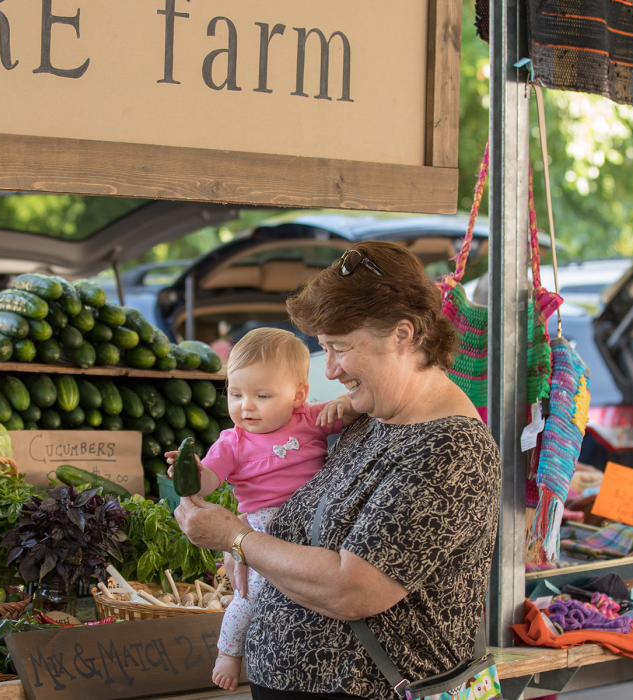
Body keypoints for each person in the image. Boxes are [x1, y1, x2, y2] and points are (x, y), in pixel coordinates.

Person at [175, 241, 502, 700]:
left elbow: (354, 589)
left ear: (402, 335)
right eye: (323, 349)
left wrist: (237, 538)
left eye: (339, 348)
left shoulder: (451, 448)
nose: (330, 369)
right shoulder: (372, 417)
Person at [167, 327, 361, 691]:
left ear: (298, 395)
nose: (246, 406)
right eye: (235, 393)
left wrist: (345, 403)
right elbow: (209, 479)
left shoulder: (309, 419)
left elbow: (352, 412)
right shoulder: (233, 442)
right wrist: (191, 469)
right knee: (251, 594)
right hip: (264, 526)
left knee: (319, 585)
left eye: (262, 395)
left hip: (315, 521)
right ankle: (229, 651)